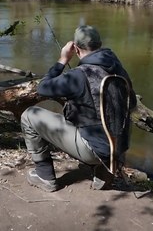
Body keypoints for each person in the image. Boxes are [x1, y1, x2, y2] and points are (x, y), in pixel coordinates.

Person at [20, 25, 137, 192]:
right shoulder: (119, 70)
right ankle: (104, 172)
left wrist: (62, 60)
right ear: (100, 44)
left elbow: (43, 88)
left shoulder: (77, 76)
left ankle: (44, 176)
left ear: (75, 48)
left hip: (94, 149)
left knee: (29, 115)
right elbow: (131, 105)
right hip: (119, 147)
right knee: (96, 123)